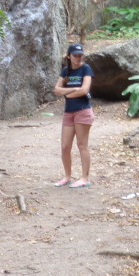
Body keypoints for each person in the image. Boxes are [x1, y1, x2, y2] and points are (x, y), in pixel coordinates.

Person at [53, 43, 94, 189]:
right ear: (69, 56)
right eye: (75, 55)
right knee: (65, 146)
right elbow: (57, 89)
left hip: (83, 110)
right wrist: (73, 89)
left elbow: (84, 90)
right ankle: (67, 177)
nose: (78, 58)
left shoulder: (86, 69)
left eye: (80, 55)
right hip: (68, 112)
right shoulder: (66, 71)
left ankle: (85, 178)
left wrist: (69, 92)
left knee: (82, 145)